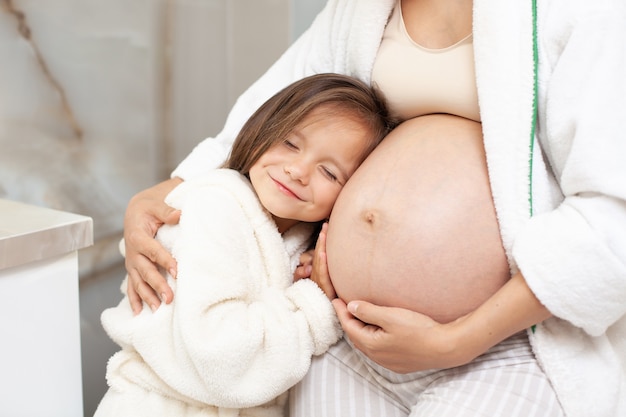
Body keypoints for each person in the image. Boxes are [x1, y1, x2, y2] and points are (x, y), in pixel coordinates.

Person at [122, 1, 626, 416]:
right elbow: (271, 118)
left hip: (505, 345)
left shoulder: (583, 12)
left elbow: (612, 213)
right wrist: (161, 196)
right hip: (347, 338)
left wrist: (457, 340)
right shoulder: (360, 9)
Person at [94, 73, 393, 417]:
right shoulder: (215, 206)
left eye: (329, 172)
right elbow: (221, 361)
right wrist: (313, 305)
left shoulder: (292, 241)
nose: (298, 170)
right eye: (290, 144)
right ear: (262, 129)